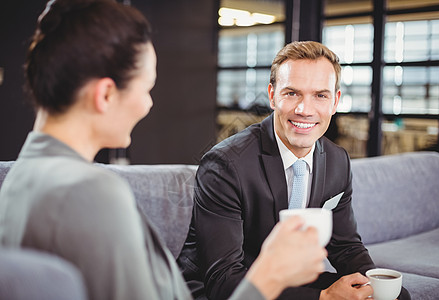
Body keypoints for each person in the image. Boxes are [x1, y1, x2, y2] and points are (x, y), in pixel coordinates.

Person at [0, 1, 327, 299]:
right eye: (147, 88)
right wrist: (271, 274)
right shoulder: (88, 192)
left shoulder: (19, 180)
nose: (148, 103)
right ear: (106, 95)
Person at [178, 41, 411, 300]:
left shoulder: (337, 161)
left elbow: (345, 246)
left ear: (334, 102)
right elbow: (223, 279)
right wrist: (323, 297)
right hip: (226, 288)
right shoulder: (225, 165)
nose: (304, 109)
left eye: (320, 95)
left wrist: (375, 285)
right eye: (292, 93)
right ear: (272, 95)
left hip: (293, 283)